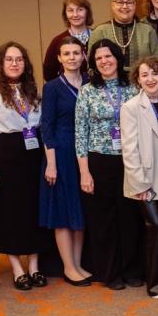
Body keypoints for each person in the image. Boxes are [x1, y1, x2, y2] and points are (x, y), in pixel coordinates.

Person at [0, 42, 48, 291]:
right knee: (10, 213)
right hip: (5, 157)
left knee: (34, 211)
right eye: (9, 59)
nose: (14, 64)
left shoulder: (32, 88)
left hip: (33, 155)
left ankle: (35, 265)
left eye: (19, 59)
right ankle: (17, 267)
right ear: (1, 63)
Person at [74, 39, 143, 290]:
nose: (104, 61)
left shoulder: (133, 87)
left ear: (117, 58)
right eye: (99, 58)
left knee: (130, 217)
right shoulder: (87, 91)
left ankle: (132, 270)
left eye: (109, 56)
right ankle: (110, 273)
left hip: (129, 160)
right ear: (93, 62)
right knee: (104, 220)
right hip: (99, 160)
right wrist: (84, 172)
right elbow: (80, 132)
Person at [120, 57, 158, 299]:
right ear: (138, 79)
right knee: (153, 227)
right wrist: (140, 185)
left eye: (155, 73)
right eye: (145, 75)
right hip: (146, 178)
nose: (150, 79)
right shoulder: (131, 107)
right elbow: (129, 148)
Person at [39, 36, 91, 287]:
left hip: (85, 154)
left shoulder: (91, 83)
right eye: (66, 54)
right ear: (59, 58)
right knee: (62, 212)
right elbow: (46, 127)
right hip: (60, 153)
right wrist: (51, 163)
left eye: (76, 53)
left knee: (80, 210)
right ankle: (68, 267)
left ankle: (78, 264)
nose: (72, 57)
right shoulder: (52, 87)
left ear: (83, 56)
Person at [89, 0, 158, 80]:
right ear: (112, 5)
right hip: (108, 89)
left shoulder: (148, 31)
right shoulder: (99, 31)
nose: (125, 6)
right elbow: (91, 66)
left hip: (143, 86)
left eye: (129, 2)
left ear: (135, 5)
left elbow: (157, 63)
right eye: (120, 2)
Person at [42, 0, 94, 82]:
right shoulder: (58, 41)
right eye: (70, 10)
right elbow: (48, 74)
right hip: (70, 92)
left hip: (98, 91)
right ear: (65, 14)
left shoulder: (98, 35)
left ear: (87, 12)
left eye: (80, 10)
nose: (75, 14)